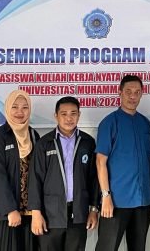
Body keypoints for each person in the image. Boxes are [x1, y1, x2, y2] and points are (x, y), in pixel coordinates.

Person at [95, 75, 150, 251]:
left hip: (143, 200)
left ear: (141, 94)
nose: (133, 96)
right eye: (129, 92)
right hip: (116, 201)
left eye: (137, 92)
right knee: (107, 247)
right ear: (120, 93)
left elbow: (148, 160)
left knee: (138, 247)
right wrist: (106, 196)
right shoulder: (109, 123)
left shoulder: (144, 123)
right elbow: (100, 162)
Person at [28, 96, 99, 251]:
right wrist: (36, 213)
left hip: (79, 214)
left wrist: (94, 210)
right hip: (50, 215)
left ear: (79, 115)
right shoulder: (44, 143)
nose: (69, 118)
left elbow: (94, 180)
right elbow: (35, 179)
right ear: (56, 116)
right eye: (64, 114)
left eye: (73, 113)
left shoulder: (88, 143)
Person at [0, 90, 41, 251]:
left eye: (25, 107)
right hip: (6, 216)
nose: (20, 112)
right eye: (15, 107)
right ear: (7, 108)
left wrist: (37, 209)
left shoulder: (34, 135)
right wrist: (10, 209)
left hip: (30, 214)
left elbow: (39, 175)